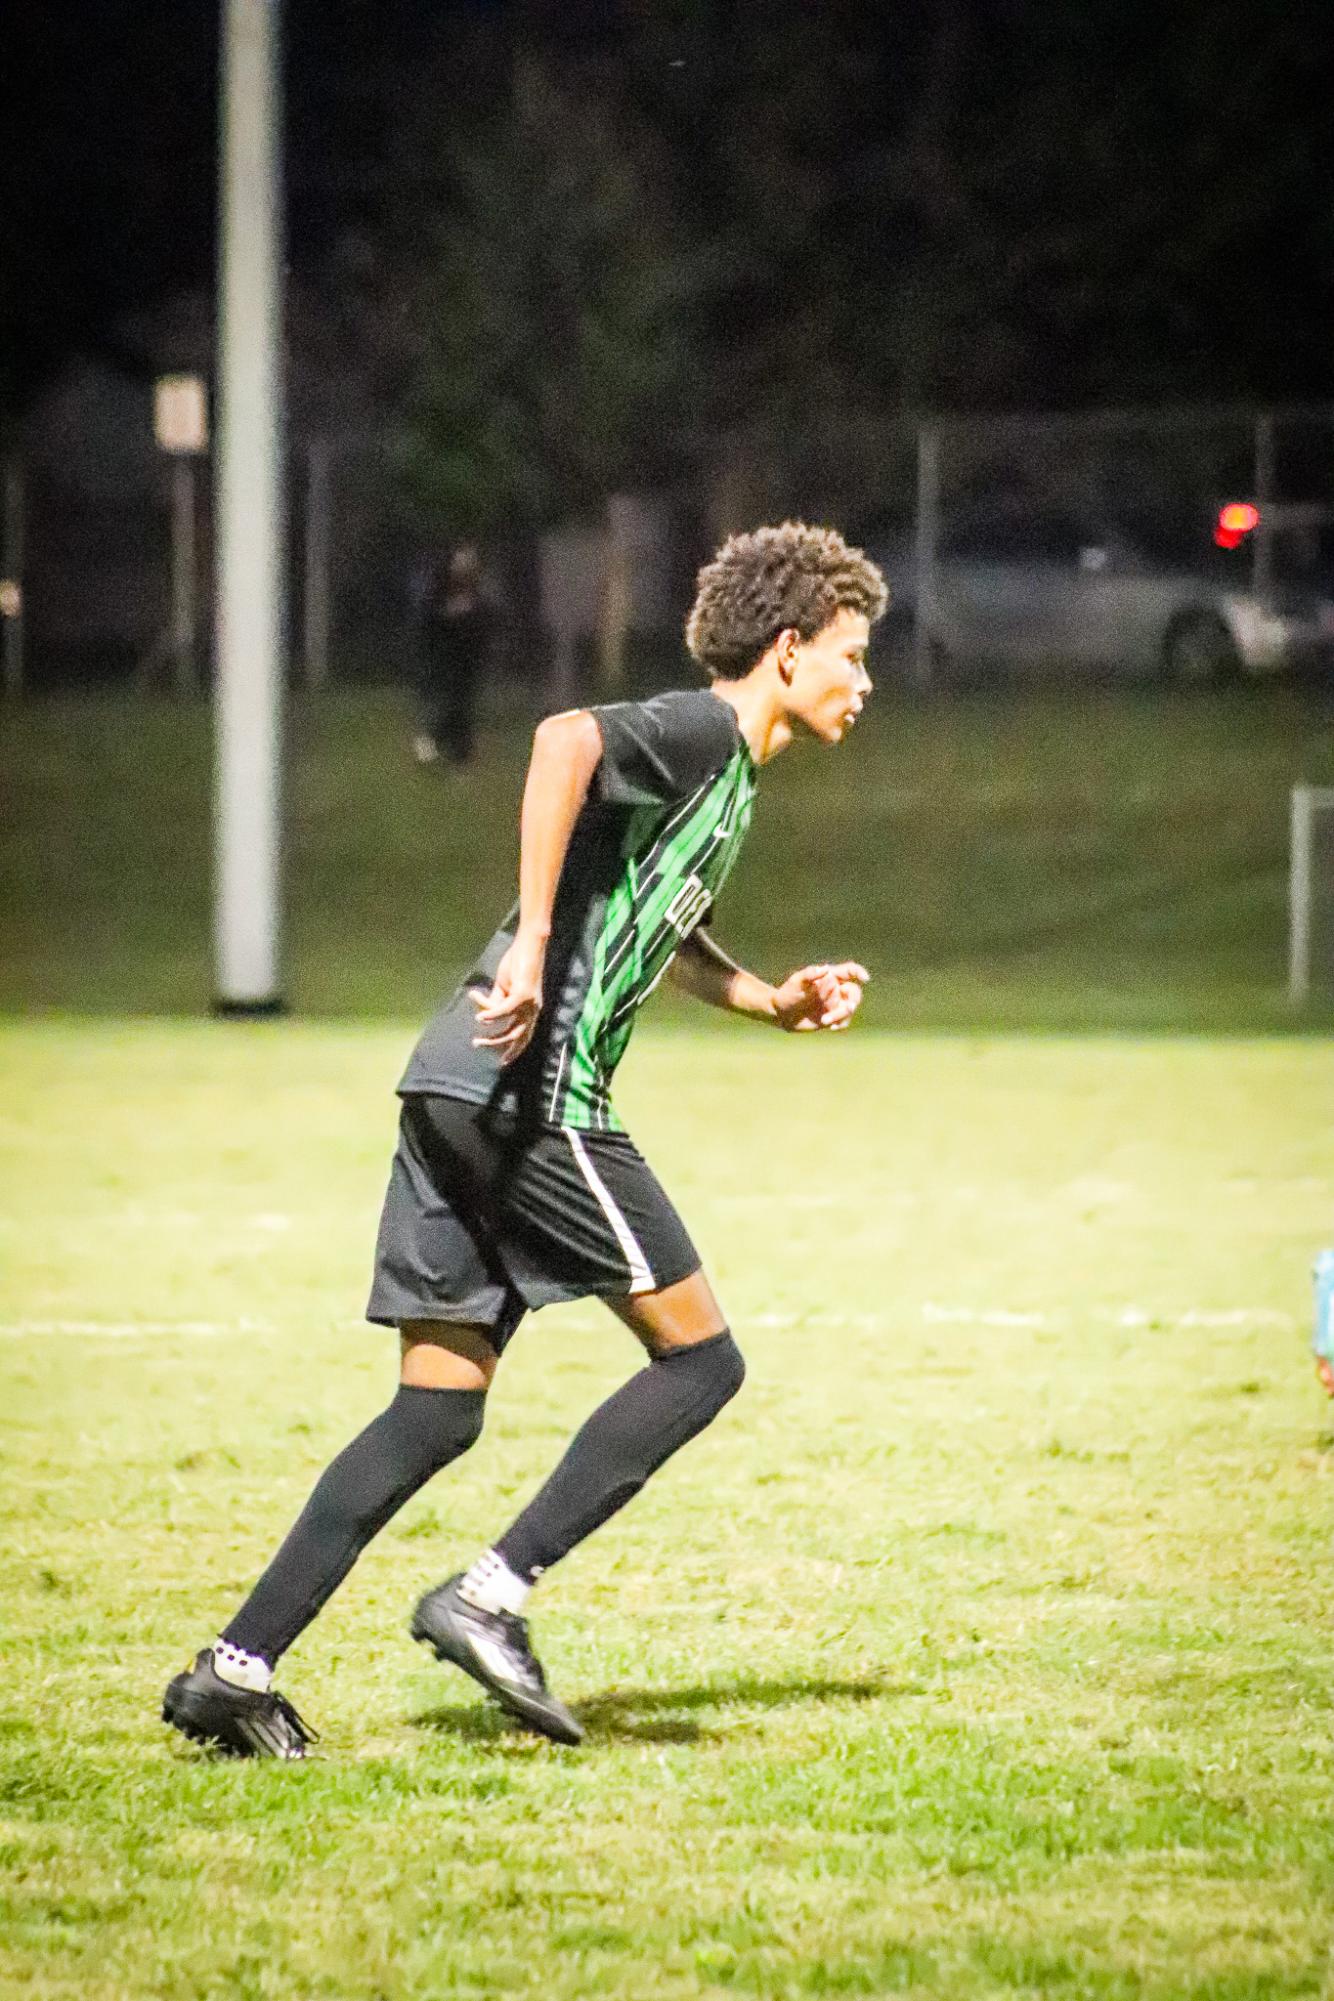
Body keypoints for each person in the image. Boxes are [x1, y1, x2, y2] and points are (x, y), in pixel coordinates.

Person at [163, 521, 888, 1759]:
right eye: (850, 655)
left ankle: (232, 1671)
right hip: (532, 1090)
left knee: (434, 1415)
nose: (863, 681)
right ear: (783, 652)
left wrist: (765, 998)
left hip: (453, 1084)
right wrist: (539, 938)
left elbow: (652, 918)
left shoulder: (728, 783)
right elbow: (563, 741)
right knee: (701, 1364)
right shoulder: (707, 732)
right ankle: (489, 1597)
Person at [410, 541, 490, 767]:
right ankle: (433, 742)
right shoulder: (437, 597)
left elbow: (482, 626)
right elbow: (428, 626)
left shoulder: (476, 600)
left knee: (461, 706)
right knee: (443, 704)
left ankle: (460, 753)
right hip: (441, 659)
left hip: (465, 661)